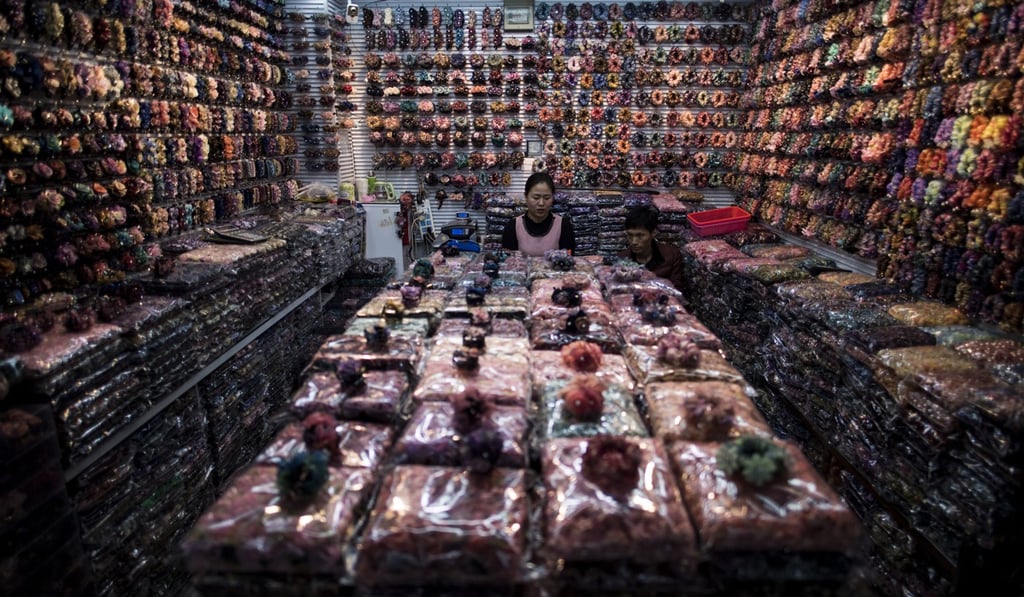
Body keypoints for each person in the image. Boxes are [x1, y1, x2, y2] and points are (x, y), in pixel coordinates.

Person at [501, 172, 576, 256]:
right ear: (526, 196)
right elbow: (508, 261)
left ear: (553, 197)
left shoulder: (564, 226)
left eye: (547, 198)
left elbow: (569, 260)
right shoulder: (513, 227)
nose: (541, 203)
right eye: (536, 197)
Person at [619, 205, 686, 292]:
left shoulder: (672, 256)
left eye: (640, 235)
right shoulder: (622, 259)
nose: (634, 241)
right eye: (630, 235)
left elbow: (677, 291)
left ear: (653, 233)